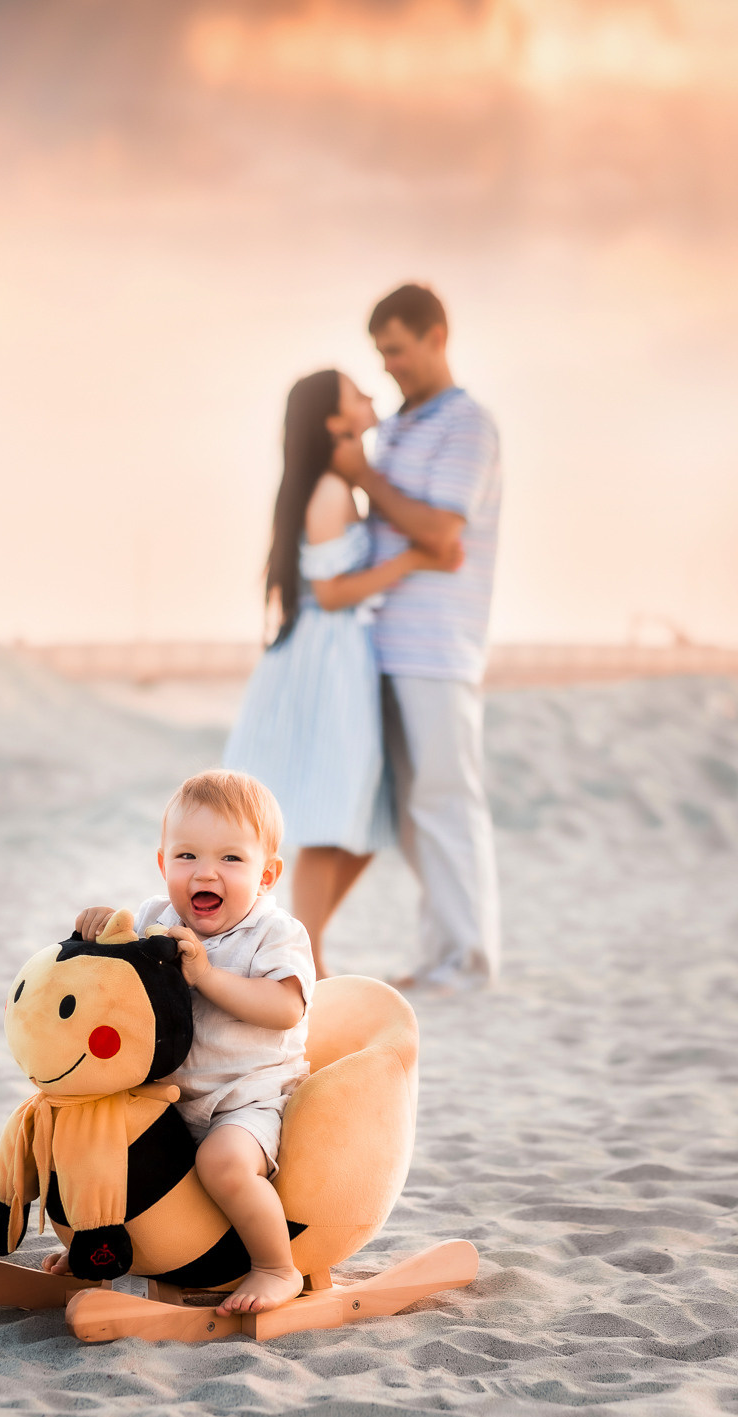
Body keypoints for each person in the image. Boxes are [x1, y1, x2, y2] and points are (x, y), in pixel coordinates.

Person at [47, 769, 316, 1316]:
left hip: (246, 1100)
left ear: (267, 875)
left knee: (223, 1163)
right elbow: (113, 977)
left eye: (231, 860)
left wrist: (209, 977)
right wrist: (98, 931)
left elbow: (285, 1007)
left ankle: (275, 1266)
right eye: (187, 857)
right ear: (163, 863)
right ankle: (93, 1247)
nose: (205, 873)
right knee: (98, 1144)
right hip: (167, 1100)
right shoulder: (153, 919)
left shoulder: (275, 932)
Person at [224, 368, 461, 976]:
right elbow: (330, 592)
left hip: (334, 660)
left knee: (354, 820)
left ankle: (302, 946)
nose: (370, 399)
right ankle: (311, 960)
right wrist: (413, 557)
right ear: (334, 422)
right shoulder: (330, 490)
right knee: (332, 821)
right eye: (357, 395)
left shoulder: (334, 484)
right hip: (326, 662)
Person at [331, 283, 502, 992]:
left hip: (439, 645)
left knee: (446, 801)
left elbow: (439, 529)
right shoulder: (398, 425)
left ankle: (469, 960)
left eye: (397, 349)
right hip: (384, 642)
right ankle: (440, 957)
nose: (389, 366)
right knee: (412, 812)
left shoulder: (468, 425)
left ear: (436, 337)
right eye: (380, 353)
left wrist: (364, 474)